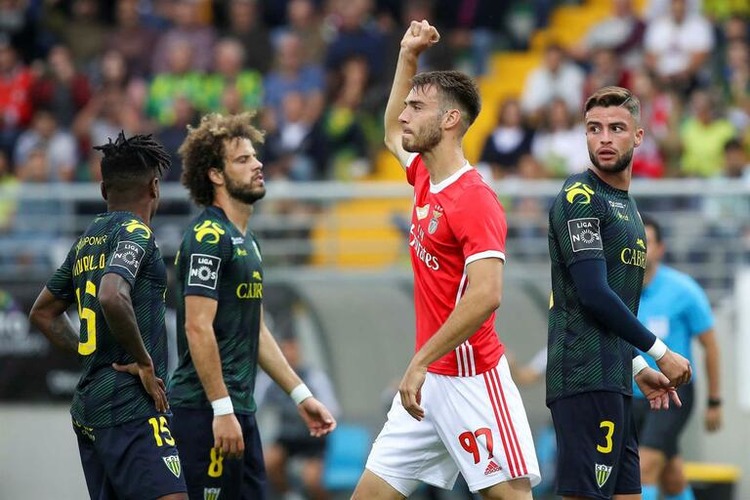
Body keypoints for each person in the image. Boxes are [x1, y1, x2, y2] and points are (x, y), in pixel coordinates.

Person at [353, 20, 540, 500]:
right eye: (407, 106)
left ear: (451, 119)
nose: (404, 115)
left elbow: (487, 294)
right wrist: (407, 56)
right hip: (429, 382)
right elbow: (390, 132)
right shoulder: (422, 174)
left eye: (417, 107)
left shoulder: (474, 198)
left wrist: (419, 360)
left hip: (472, 380)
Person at [167, 112, 337, 500]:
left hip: (240, 411)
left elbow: (256, 331)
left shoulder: (249, 241)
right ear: (215, 174)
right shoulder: (208, 236)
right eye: (242, 159)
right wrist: (221, 408)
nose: (257, 164)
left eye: (255, 156)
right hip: (204, 412)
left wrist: (301, 395)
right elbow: (197, 327)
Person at [546, 85, 693, 500]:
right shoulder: (579, 197)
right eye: (594, 129)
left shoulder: (628, 207)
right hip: (582, 377)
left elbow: (608, 310)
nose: (604, 138)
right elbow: (593, 294)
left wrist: (636, 367)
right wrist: (659, 352)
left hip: (615, 380)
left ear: (639, 136)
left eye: (616, 128)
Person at [28, 132, 187, 500]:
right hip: (131, 406)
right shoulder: (137, 233)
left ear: (103, 190)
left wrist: (88, 350)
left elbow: (43, 312)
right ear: (155, 187)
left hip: (90, 408)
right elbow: (112, 294)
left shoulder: (86, 240)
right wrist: (143, 362)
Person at [634, 214, 722, 500]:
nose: (640, 248)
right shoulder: (617, 291)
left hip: (672, 395)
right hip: (631, 395)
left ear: (660, 249)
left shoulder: (683, 290)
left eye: (647, 242)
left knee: (644, 469)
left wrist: (714, 401)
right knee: (672, 478)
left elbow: (710, 346)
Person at [256, 334, 341, 500]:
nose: (289, 354)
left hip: (313, 438)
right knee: (269, 462)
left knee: (312, 480)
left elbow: (333, 409)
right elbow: (254, 405)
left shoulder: (314, 376)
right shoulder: (267, 380)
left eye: (292, 349)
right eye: (284, 349)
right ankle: (291, 495)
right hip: (287, 437)